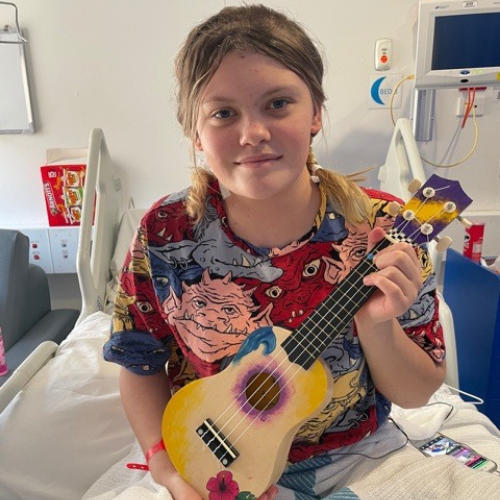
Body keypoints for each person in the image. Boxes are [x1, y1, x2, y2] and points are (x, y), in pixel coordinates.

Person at [103, 4, 446, 499]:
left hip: (355, 458)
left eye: (278, 103)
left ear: (316, 113)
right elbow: (138, 365)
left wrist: (376, 324)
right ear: (195, 133)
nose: (253, 133)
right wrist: (168, 473)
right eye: (223, 113)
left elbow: (417, 393)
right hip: (208, 458)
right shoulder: (165, 232)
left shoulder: (384, 230)